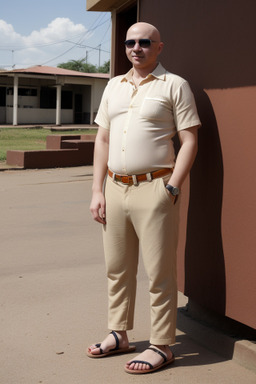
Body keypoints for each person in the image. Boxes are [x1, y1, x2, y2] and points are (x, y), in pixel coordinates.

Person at [87, 22, 201, 374]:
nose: (136, 48)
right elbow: (102, 140)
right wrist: (96, 190)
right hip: (114, 187)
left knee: (159, 271)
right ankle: (119, 334)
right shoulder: (113, 87)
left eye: (145, 42)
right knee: (116, 268)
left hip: (156, 187)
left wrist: (174, 185)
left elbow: (190, 139)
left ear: (159, 47)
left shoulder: (175, 85)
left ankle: (162, 344)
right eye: (130, 42)